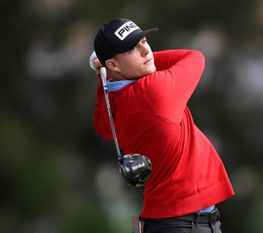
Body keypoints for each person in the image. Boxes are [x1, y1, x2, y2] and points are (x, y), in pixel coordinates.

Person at [91, 17, 235, 233]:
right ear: (112, 64)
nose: (145, 50)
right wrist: (109, 67)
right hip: (185, 224)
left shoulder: (113, 101)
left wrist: (109, 71)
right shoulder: (155, 89)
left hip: (167, 222)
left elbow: (103, 127)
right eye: (131, 48)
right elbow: (194, 57)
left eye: (143, 41)